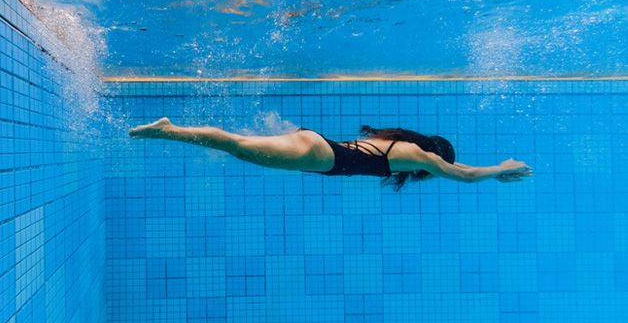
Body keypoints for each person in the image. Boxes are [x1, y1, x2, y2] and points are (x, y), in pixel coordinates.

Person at [129, 118, 532, 189]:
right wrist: (499, 168)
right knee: (235, 145)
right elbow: (460, 174)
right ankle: (169, 131)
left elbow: (456, 167)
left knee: (238, 146)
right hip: (319, 157)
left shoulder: (406, 147)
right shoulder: (417, 156)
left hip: (317, 147)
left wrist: (493, 170)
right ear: (434, 156)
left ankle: (171, 132)